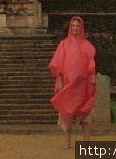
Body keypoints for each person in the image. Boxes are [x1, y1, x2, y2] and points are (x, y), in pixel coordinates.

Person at [48, 16, 97, 148]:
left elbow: (90, 62)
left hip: (82, 85)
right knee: (66, 114)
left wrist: (92, 74)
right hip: (68, 84)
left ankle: (87, 143)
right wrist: (59, 77)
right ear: (70, 27)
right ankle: (67, 141)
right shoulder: (64, 44)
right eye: (73, 26)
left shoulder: (87, 46)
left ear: (81, 28)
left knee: (85, 115)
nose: (75, 28)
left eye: (78, 26)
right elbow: (58, 62)